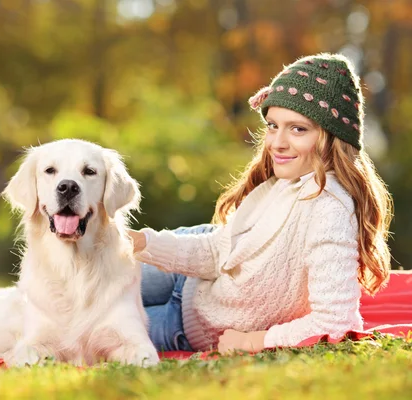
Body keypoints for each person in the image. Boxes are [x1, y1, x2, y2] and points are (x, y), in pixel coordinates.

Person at [128, 53, 393, 355]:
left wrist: (253, 341)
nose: (276, 143)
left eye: (298, 129)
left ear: (332, 137)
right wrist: (141, 242)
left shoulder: (329, 209)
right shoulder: (283, 184)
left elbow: (336, 323)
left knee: (79, 328)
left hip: (187, 325)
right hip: (190, 273)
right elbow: (217, 251)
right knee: (73, 284)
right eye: (272, 125)